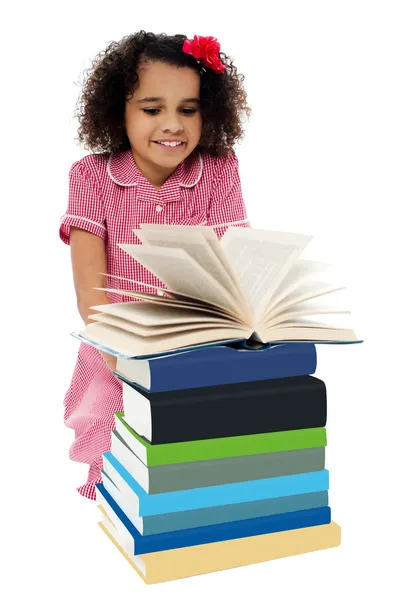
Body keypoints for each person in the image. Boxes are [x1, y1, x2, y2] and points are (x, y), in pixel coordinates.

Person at [59, 31, 252, 500]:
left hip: (197, 338)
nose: (173, 125)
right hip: (115, 341)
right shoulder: (91, 175)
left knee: (205, 443)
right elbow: (90, 292)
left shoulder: (220, 168)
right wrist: (122, 359)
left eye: (188, 109)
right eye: (152, 109)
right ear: (117, 112)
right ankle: (112, 500)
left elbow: (239, 266)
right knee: (109, 422)